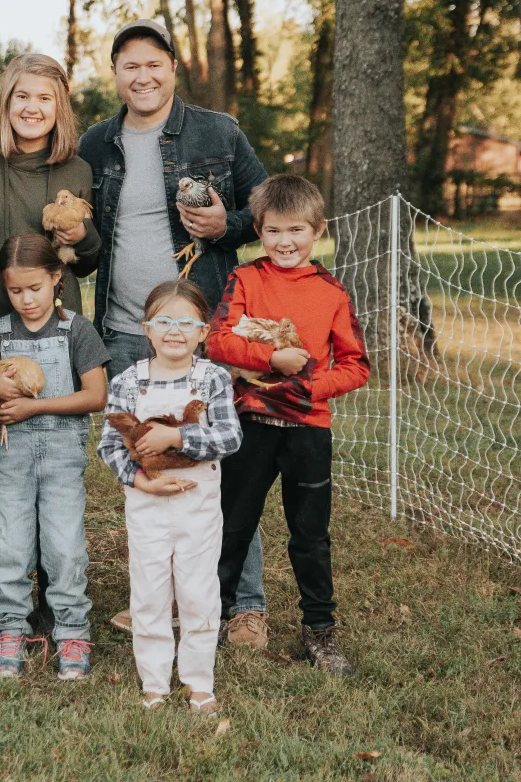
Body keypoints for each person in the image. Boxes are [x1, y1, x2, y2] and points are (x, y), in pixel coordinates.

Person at [77, 18, 270, 644]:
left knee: (219, 455)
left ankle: (244, 604)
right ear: (115, 73)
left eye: (153, 63)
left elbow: (267, 206)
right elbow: (84, 241)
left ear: (172, 68)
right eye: (130, 65)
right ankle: (161, 596)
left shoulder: (217, 130)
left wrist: (226, 225)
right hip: (128, 332)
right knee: (147, 455)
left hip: (205, 327)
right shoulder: (96, 144)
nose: (143, 75)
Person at [0, 52, 98, 631]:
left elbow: (89, 255)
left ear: (59, 107)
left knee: (54, 455)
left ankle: (58, 582)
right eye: (22, 97)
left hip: (53, 329)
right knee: (1, 457)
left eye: (45, 98)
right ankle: (17, 593)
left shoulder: (75, 169)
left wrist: (83, 236)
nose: (33, 108)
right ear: (5, 102)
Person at [205, 175, 371, 674]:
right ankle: (211, 619)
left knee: (310, 534)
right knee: (231, 526)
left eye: (296, 230)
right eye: (274, 231)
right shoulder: (247, 279)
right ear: (258, 230)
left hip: (308, 429)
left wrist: (308, 387)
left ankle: (320, 631)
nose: (285, 242)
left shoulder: (331, 292)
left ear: (317, 230)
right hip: (250, 423)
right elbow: (218, 341)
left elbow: (356, 364)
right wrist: (271, 357)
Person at [98, 279, 241, 714]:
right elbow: (108, 443)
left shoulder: (213, 378)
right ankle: (155, 682)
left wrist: (175, 435)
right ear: (146, 329)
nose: (173, 330)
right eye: (163, 321)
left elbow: (229, 436)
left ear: (203, 331)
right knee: (149, 591)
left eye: (185, 321)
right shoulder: (128, 381)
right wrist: (141, 481)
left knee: (198, 591)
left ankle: (199, 682)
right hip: (147, 502)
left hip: (197, 502)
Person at [0, 234, 109, 681]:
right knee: (11, 547)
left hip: (60, 457)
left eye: (35, 288)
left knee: (65, 548)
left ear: (57, 279)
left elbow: (96, 395)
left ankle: (72, 629)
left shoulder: (76, 329)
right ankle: (11, 626)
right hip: (10, 457)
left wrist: (34, 405)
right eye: (16, 290)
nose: (26, 299)